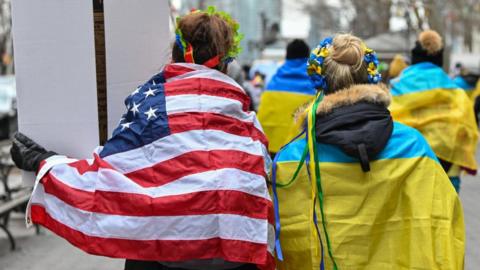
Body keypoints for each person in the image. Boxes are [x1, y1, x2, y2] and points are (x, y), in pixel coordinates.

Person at [11, 7, 274, 270]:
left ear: (176, 54)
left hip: (166, 255)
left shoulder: (153, 106)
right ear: (226, 62)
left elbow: (106, 177)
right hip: (236, 254)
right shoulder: (246, 119)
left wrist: (42, 161)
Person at [271, 34, 464, 269]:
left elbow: (287, 242)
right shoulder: (415, 146)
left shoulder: (292, 159)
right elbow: (443, 228)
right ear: (370, 76)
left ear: (319, 82)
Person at [389, 30, 478, 192]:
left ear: (415, 58)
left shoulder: (396, 89)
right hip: (448, 172)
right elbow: (467, 129)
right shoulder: (456, 93)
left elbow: (389, 125)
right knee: (447, 216)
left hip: (408, 168)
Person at [257, 39, 315, 155]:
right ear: (308, 57)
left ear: (287, 56)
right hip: (301, 152)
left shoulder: (273, 82)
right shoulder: (315, 84)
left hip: (273, 150)